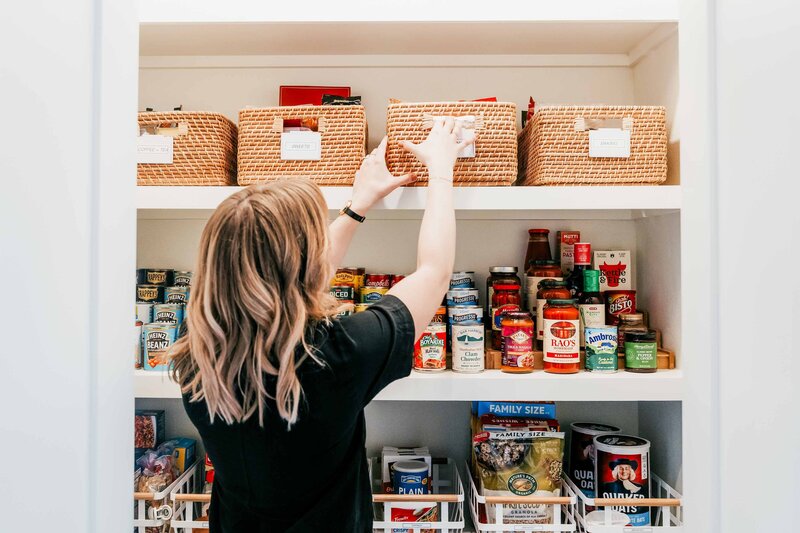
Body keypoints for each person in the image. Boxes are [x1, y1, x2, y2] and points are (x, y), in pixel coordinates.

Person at [170, 118, 472, 532]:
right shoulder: (336, 358)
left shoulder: (196, 352)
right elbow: (435, 273)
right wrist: (441, 172)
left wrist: (357, 205)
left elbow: (279, 271)